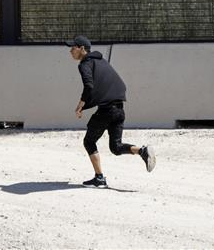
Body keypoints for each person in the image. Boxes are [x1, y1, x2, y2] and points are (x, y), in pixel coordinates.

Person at [66, 35, 155, 188]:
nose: (70, 51)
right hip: (119, 109)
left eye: (73, 48)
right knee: (116, 147)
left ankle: (99, 178)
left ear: (82, 49)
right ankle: (142, 151)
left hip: (106, 111)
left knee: (89, 141)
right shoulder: (101, 62)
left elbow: (89, 86)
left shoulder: (84, 64)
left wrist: (80, 106)